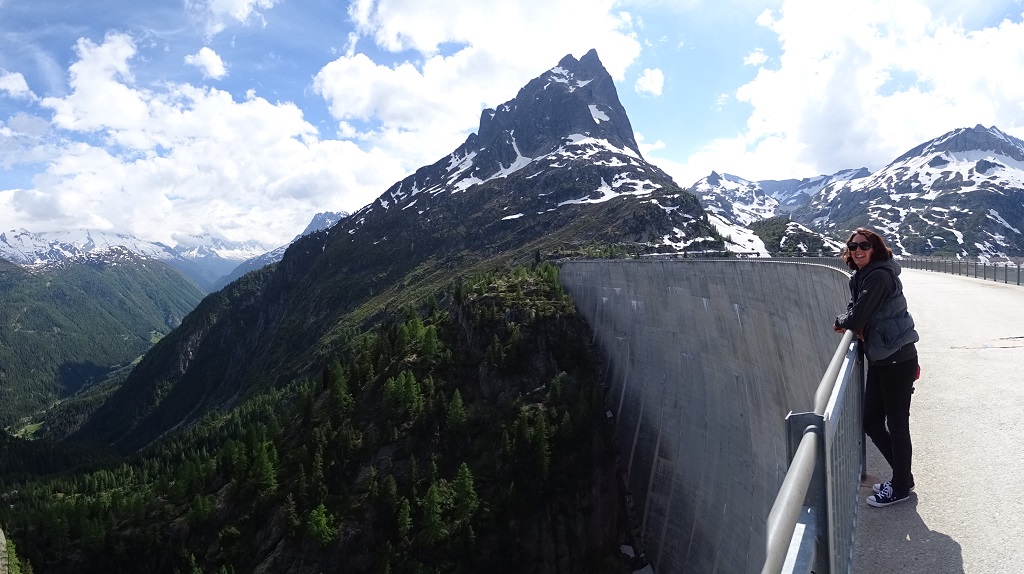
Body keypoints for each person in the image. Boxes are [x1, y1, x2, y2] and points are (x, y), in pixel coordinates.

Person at [833, 228, 920, 507]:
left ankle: (900, 488)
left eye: (864, 245)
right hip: (883, 358)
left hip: (898, 359)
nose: (858, 250)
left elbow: (858, 313)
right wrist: (852, 320)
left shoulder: (880, 276)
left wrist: (844, 320)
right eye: (853, 246)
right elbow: (856, 309)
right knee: (871, 420)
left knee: (896, 425)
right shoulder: (863, 275)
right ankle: (902, 477)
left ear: (876, 249)